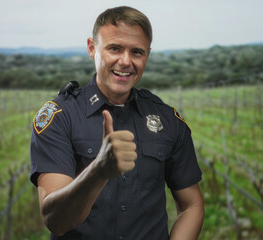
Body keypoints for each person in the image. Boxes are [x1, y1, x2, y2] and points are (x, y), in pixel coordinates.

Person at [30, 6, 204, 240]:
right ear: (92, 48)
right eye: (115, 48)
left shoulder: (168, 120)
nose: (125, 61)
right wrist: (99, 170)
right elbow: (56, 221)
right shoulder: (60, 117)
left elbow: (191, 206)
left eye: (137, 52)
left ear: (147, 55)